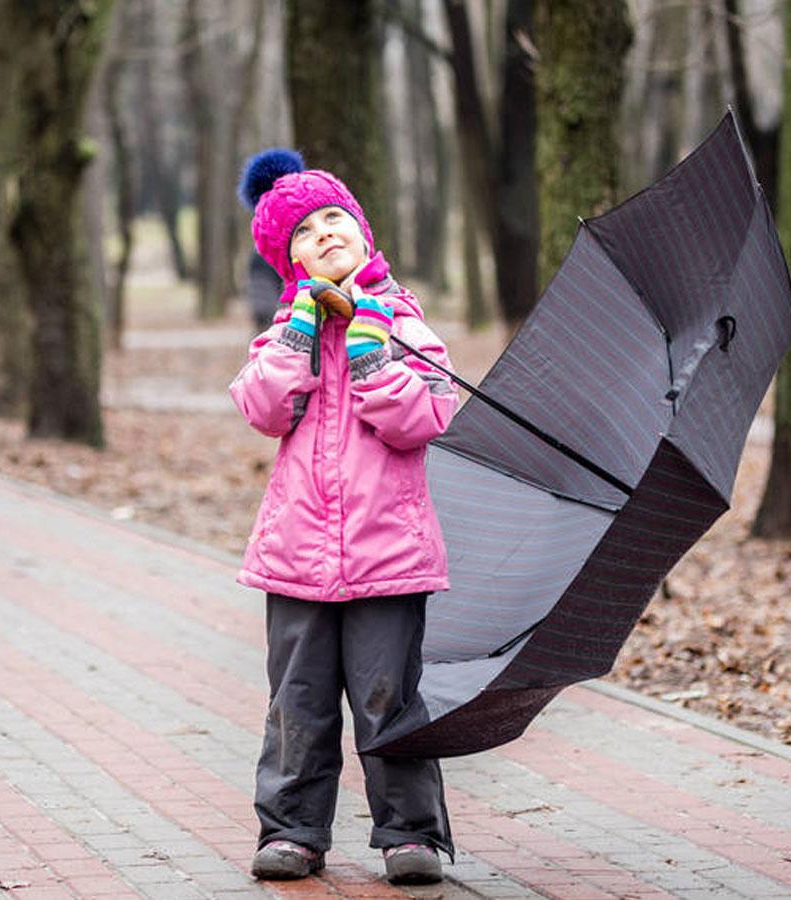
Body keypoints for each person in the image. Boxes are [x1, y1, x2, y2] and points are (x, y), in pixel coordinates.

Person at [230, 149, 458, 886]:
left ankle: (409, 834)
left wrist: (370, 356)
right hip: (297, 556)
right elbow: (262, 408)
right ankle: (293, 828)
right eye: (306, 230)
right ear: (289, 262)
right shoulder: (282, 337)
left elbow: (425, 418)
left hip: (388, 555)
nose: (326, 232)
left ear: (363, 234)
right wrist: (301, 333)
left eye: (336, 218)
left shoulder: (406, 329)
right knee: (297, 704)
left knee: (389, 698)